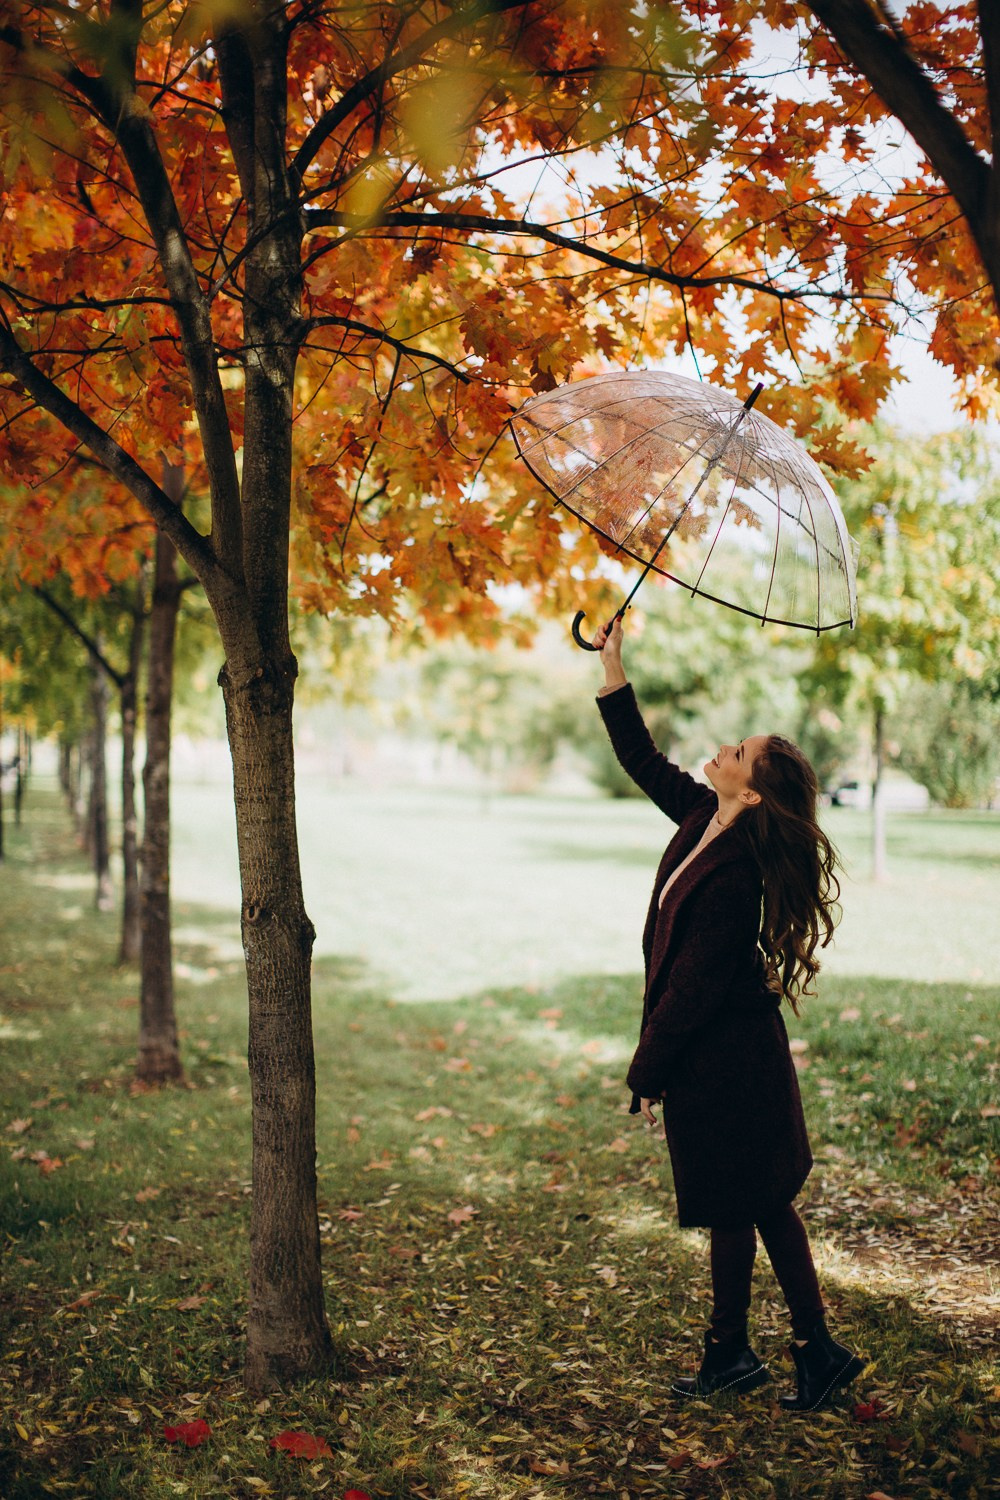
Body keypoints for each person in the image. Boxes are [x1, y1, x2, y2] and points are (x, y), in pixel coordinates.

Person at [593, 615, 867, 1411]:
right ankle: (741, 1353)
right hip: (721, 1058)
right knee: (737, 1202)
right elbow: (643, 761)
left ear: (749, 790)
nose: (723, 749)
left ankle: (801, 1350)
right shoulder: (705, 818)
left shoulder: (738, 869)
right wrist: (613, 669)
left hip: (731, 1059)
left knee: (752, 1201)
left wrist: (647, 1069)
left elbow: (695, 988)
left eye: (738, 753)